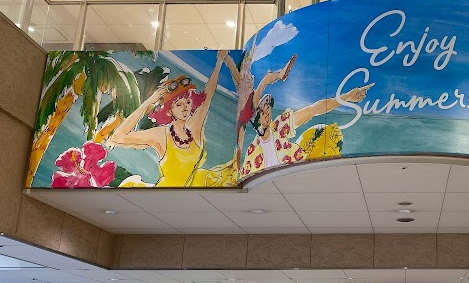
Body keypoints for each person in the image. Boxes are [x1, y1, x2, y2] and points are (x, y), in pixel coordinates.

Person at [107, 50, 237, 187]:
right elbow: (117, 137)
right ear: (169, 110)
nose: (185, 107)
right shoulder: (162, 135)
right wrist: (149, 102)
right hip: (163, 194)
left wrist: (219, 61)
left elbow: (209, 93)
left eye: (188, 102)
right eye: (179, 105)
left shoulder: (194, 129)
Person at [239, 81, 371, 178]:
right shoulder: (252, 151)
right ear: (256, 120)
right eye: (263, 112)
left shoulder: (279, 127)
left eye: (268, 109)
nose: (267, 113)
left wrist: (347, 97)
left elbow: (314, 109)